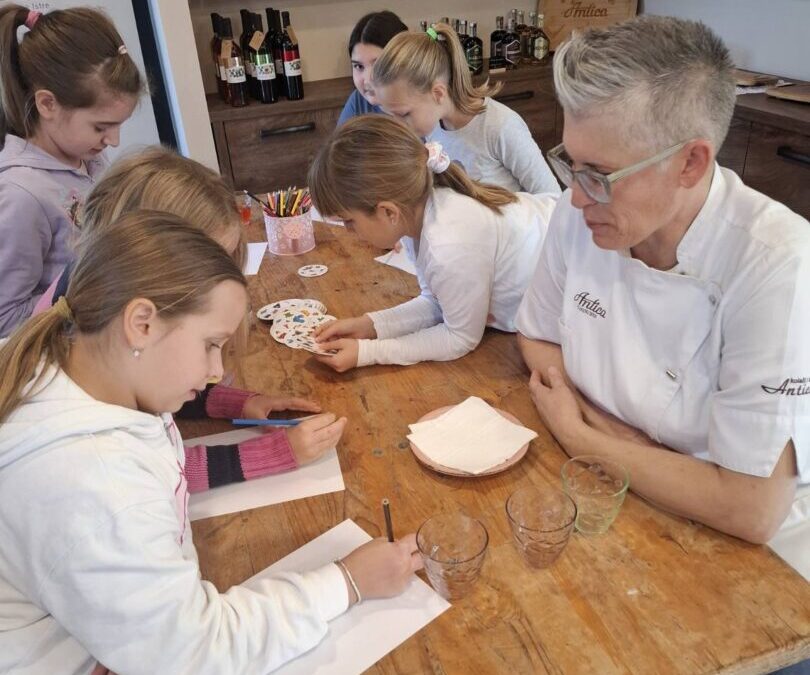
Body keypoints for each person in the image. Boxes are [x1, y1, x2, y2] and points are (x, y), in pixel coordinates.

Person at [0, 212, 422, 675]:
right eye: (210, 345)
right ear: (141, 324)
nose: (216, 371)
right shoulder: (95, 490)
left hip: (112, 633)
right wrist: (347, 582)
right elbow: (197, 652)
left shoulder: (82, 365)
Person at [515, 16, 809, 579]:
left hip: (748, 562)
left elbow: (750, 508)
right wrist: (624, 440)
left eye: (599, 173)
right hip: (611, 499)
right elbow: (537, 333)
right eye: (570, 164)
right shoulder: (584, 215)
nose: (575, 197)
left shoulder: (778, 265)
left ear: (690, 162)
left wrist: (578, 433)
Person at [33, 145, 344, 492]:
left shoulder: (102, 321)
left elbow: (159, 385)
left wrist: (237, 402)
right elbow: (159, 471)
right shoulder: (93, 429)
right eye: (212, 260)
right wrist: (277, 452)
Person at [308, 115, 557, 372]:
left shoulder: (447, 246)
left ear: (388, 213)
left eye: (348, 221)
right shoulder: (413, 214)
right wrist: (370, 325)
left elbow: (460, 337)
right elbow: (435, 302)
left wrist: (369, 352)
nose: (349, 232)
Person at [0, 4, 143, 336]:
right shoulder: (20, 196)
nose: (114, 140)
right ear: (48, 104)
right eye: (100, 127)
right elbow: (6, 320)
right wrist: (93, 302)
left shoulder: (86, 157)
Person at [371, 22, 560, 196]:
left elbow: (552, 200)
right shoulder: (433, 126)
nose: (399, 126)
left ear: (438, 93)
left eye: (404, 114)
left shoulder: (501, 126)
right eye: (391, 115)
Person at [337, 10, 408, 126]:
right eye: (359, 66)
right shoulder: (358, 102)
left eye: (378, 65)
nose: (368, 80)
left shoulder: (425, 105)